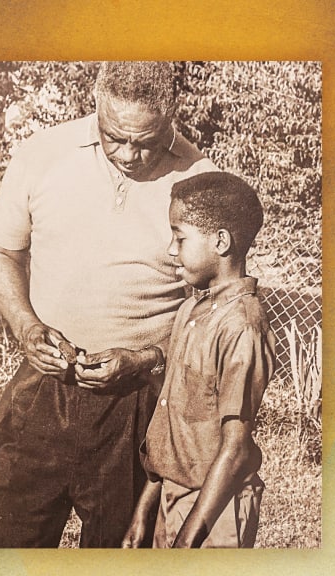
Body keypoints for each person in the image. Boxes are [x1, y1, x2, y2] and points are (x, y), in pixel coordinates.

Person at [0, 61, 217, 548]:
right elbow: (2, 253)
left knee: (120, 549)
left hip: (140, 401)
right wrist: (26, 328)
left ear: (172, 118)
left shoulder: (201, 181)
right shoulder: (40, 156)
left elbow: (213, 305)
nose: (128, 154)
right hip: (42, 387)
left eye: (145, 141)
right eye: (113, 136)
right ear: (96, 108)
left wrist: (147, 358)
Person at [122, 171, 276, 549]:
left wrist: (189, 538)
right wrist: (145, 508)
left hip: (213, 512)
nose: (171, 249)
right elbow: (170, 427)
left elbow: (235, 448)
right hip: (173, 498)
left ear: (220, 242)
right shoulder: (192, 309)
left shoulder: (242, 328)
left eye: (180, 237)